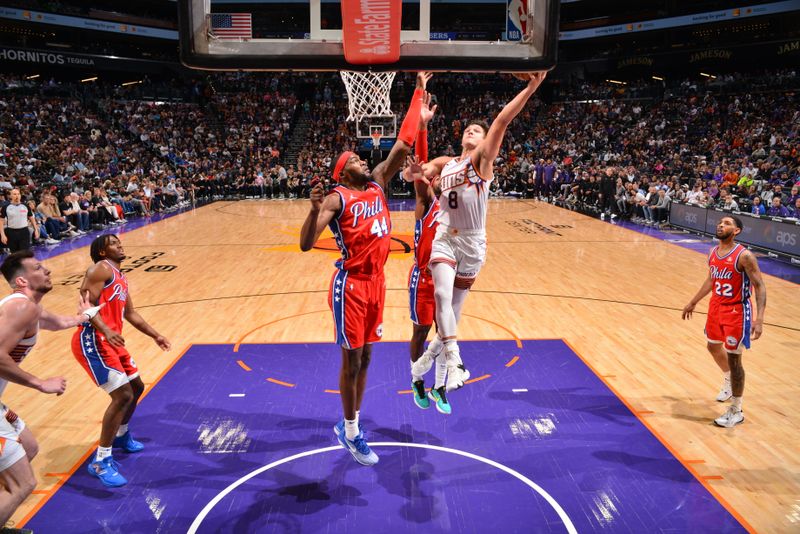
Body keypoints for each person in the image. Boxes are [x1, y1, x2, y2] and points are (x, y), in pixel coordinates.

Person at [299, 72, 431, 466]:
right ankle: (351, 429)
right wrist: (311, 209)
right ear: (342, 173)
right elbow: (307, 243)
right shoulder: (337, 198)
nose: (361, 158)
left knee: (368, 359)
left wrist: (418, 93)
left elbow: (403, 145)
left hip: (377, 283)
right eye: (353, 159)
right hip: (351, 286)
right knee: (351, 361)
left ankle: (350, 424)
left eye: (359, 157)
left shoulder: (376, 184)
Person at [409, 72, 547, 393]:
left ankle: (434, 364)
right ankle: (455, 363)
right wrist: (422, 124)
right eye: (468, 129)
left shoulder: (482, 162)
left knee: (451, 315)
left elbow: (501, 121)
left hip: (472, 243)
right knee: (442, 299)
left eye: (478, 130)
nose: (472, 130)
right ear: (461, 138)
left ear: (484, 140)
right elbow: (418, 168)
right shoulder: (447, 163)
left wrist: (530, 87)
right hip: (445, 238)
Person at [0, 250, 101, 527]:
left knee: (29, 447)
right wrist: (39, 383)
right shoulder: (21, 307)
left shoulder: (30, 308)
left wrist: (84, 316)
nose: (47, 271)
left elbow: (55, 323)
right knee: (22, 484)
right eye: (38, 268)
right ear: (21, 281)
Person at [72, 235, 171, 487]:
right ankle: (100, 461)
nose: (120, 244)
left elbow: (131, 313)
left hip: (111, 341)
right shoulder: (98, 270)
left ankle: (121, 435)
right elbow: (84, 306)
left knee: (136, 388)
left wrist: (155, 335)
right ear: (103, 252)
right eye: (114, 243)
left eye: (119, 242)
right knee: (123, 395)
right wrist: (105, 330)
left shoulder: (120, 276)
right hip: (93, 340)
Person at [682, 216, 766, 427]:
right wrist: (693, 301)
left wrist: (759, 319)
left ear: (736, 231)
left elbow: (760, 286)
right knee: (712, 346)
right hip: (716, 307)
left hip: (737, 311)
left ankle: (736, 410)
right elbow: (712, 279)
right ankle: (728, 379)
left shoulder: (744, 256)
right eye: (720, 222)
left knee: (735, 359)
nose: (721, 225)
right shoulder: (712, 253)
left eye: (727, 223)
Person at [406, 100, 452, 414]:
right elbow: (422, 163)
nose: (435, 179)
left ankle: (441, 387)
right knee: (421, 332)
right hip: (422, 280)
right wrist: (423, 126)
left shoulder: (457, 210)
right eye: (433, 177)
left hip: (444, 280)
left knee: (445, 333)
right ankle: (417, 380)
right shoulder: (425, 203)